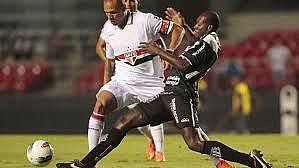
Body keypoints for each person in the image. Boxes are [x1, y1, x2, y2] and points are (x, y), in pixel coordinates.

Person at [56, 8, 272, 168]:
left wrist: (157, 50)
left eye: (198, 24)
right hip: (167, 94)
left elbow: (184, 65)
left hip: (181, 97)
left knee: (194, 143)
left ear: (209, 28)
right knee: (123, 123)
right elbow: (196, 40)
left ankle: (251, 161)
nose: (195, 27)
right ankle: (85, 165)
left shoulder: (211, 43)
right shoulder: (205, 40)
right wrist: (184, 25)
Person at [87, 0, 183, 164]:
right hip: (123, 82)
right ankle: (91, 160)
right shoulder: (108, 29)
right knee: (100, 104)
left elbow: (177, 29)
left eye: (114, 12)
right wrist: (106, 84)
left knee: (183, 122)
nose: (110, 16)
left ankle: (216, 158)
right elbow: (110, 61)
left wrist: (170, 51)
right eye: (107, 12)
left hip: (151, 84)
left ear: (123, 9)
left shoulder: (145, 20)